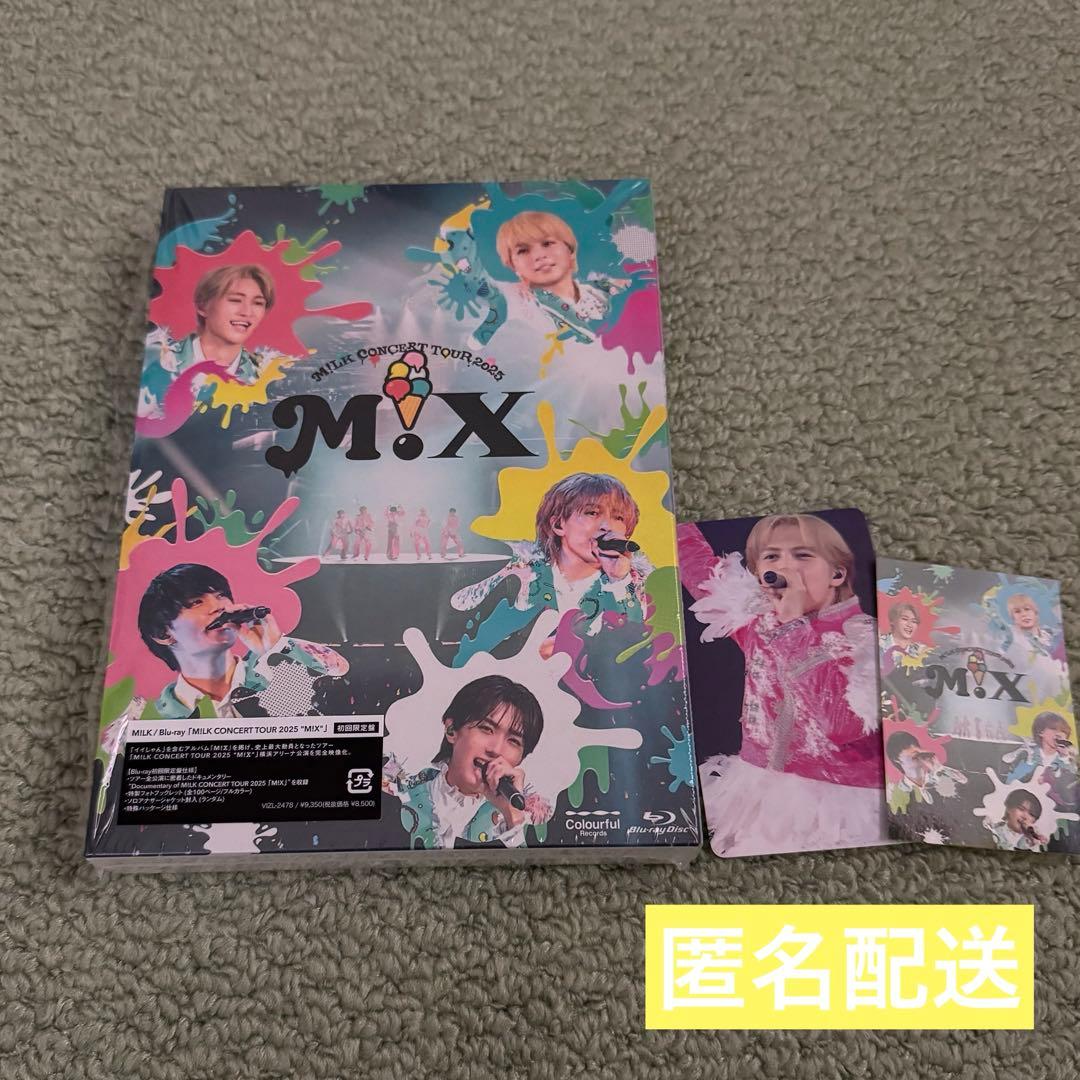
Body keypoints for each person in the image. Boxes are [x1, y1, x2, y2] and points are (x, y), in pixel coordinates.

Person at [679, 514, 886, 857]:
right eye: (772, 557)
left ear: (837, 574)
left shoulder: (864, 636)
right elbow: (697, 566)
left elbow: (841, 724)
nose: (784, 567)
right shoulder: (759, 619)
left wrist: (792, 626)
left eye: (802, 555)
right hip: (758, 789)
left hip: (838, 803)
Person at [450, 473, 650, 642]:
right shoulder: (520, 572)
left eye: (618, 517)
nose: (607, 526)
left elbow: (635, 645)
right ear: (558, 525)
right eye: (592, 513)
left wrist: (618, 580)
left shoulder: (633, 586)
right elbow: (461, 616)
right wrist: (505, 582)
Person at [136, 563, 348, 719]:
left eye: (221, 596)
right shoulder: (152, 715)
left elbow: (340, 677)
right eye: (197, 602)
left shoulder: (273, 669)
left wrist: (276, 647)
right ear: (164, 634)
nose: (219, 606)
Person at [382, 675, 552, 848]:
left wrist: (512, 816)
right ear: (451, 730)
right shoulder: (400, 793)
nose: (495, 750)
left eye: (514, 741)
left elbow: (529, 865)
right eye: (486, 728)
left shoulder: (527, 822)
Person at [138, 264, 276, 418]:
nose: (247, 312)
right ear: (202, 306)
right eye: (235, 300)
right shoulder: (157, 361)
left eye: (258, 303)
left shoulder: (267, 376)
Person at [481, 211, 632, 346]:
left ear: (570, 250)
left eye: (547, 243)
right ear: (513, 266)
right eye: (523, 251)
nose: (539, 255)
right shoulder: (517, 304)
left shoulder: (605, 288)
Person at [1002, 712, 1077, 808]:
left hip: (1053, 808)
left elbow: (1072, 791)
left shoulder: (1067, 760)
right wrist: (1029, 764)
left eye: (1063, 731)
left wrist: (1065, 760)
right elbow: (1010, 782)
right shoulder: (1027, 754)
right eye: (1053, 729)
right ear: (1041, 732)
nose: (1059, 734)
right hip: (1024, 804)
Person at [886, 730, 967, 806]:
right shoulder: (896, 789)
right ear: (896, 759)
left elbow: (965, 784)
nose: (914, 749)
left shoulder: (937, 774)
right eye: (905, 747)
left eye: (914, 745)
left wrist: (938, 769)